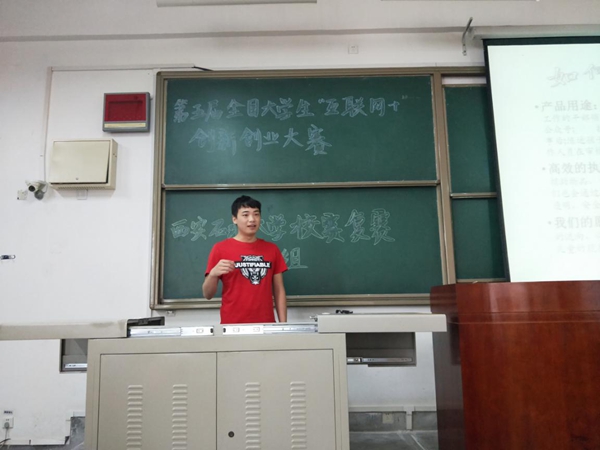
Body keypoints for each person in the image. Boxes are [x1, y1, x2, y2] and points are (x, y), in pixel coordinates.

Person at [202, 195, 288, 324]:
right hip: (232, 325)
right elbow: (207, 295)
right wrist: (213, 274)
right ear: (234, 219)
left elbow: (279, 290)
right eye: (245, 215)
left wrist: (283, 325)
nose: (252, 219)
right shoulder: (220, 249)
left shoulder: (272, 249)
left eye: (256, 214)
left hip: (266, 324)